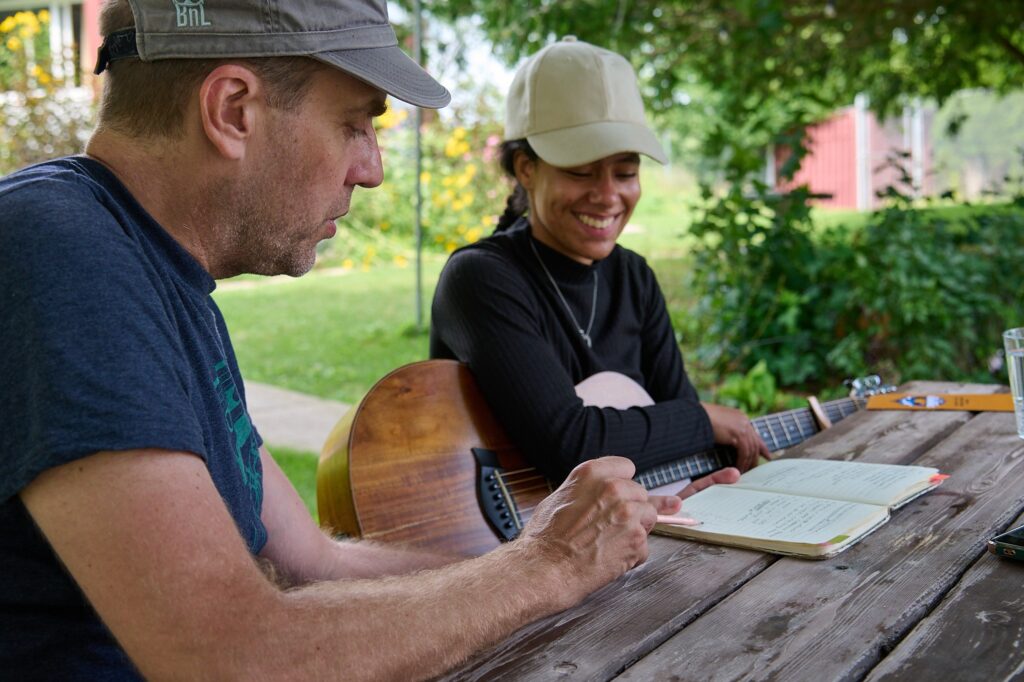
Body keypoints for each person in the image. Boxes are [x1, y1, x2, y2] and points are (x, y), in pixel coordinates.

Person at [0, 4, 690, 679]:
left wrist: (576, 559)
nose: (372, 168)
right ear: (233, 109)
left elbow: (318, 564)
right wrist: (548, 566)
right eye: (355, 124)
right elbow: (227, 655)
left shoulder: (161, 278)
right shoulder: (59, 249)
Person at [430, 38, 770, 489]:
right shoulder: (481, 278)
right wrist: (702, 420)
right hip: (505, 548)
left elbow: (691, 446)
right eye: (581, 171)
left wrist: (699, 455)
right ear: (526, 168)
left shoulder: (634, 278)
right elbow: (571, 445)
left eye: (626, 173)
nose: (609, 195)